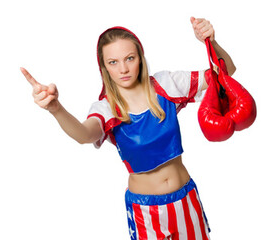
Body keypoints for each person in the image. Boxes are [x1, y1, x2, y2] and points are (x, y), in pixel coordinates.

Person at [21, 17, 234, 240]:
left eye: (129, 58)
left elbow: (224, 74)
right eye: (113, 62)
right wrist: (56, 109)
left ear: (140, 59)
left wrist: (211, 42)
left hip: (185, 198)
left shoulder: (166, 84)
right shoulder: (106, 108)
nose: (123, 69)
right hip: (146, 211)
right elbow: (84, 135)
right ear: (104, 67)